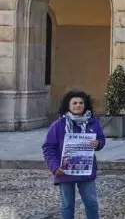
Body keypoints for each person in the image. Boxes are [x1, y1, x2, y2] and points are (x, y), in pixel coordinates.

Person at [42, 90, 106, 219]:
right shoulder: (58, 125)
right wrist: (54, 167)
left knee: (91, 203)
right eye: (74, 103)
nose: (78, 105)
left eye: (81, 103)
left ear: (85, 105)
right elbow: (48, 148)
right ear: (68, 106)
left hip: (86, 171)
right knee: (67, 205)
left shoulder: (92, 123)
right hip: (64, 171)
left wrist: (98, 143)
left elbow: (101, 140)